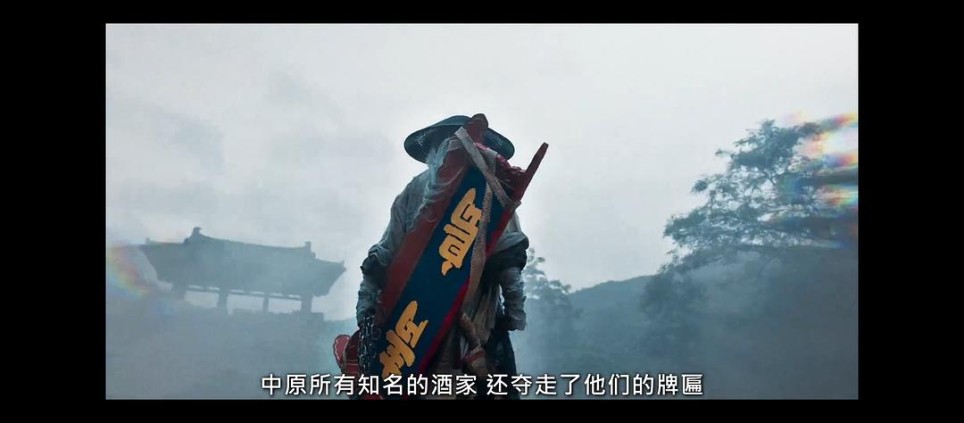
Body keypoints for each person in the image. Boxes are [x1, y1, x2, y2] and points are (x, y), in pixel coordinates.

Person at [355, 115, 529, 399]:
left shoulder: (489, 190)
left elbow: (508, 257)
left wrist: (514, 309)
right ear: (436, 147)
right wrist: (367, 307)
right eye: (449, 142)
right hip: (413, 325)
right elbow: (382, 257)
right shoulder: (416, 191)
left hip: (473, 321)